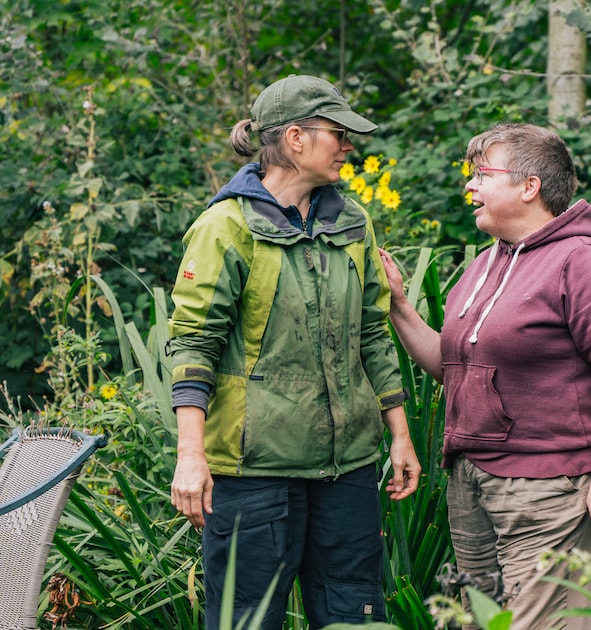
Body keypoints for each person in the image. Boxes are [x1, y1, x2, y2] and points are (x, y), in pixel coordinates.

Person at [167, 74, 421, 630]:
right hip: (253, 473)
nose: (349, 146)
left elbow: (371, 333)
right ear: (296, 138)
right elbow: (193, 344)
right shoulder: (226, 227)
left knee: (356, 619)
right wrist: (191, 455)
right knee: (246, 621)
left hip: (347, 469)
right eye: (338, 133)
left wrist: (399, 435)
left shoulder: (353, 223)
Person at [379, 123, 591, 630]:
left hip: (548, 491)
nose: (470, 186)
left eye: (482, 175)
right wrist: (399, 305)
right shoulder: (483, 265)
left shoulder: (580, 261)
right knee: (480, 622)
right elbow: (452, 368)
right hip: (473, 484)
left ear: (530, 186)